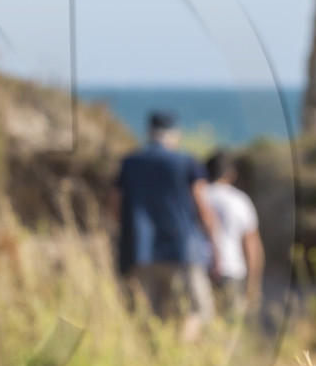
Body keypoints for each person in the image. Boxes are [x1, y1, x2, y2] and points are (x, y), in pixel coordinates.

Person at [112, 110, 218, 340]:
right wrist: (215, 247)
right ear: (174, 134)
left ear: (149, 133)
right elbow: (203, 208)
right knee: (197, 310)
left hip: (141, 251)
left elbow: (115, 209)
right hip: (183, 251)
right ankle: (182, 354)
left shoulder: (129, 164)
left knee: (148, 317)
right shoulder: (187, 162)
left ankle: (151, 363)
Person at [203, 150, 264, 315]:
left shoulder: (198, 196)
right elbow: (251, 244)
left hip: (200, 268)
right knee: (230, 327)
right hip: (231, 271)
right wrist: (253, 284)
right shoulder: (240, 200)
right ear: (231, 174)